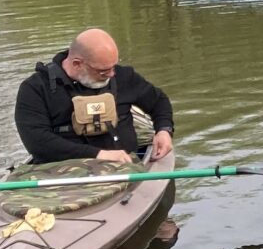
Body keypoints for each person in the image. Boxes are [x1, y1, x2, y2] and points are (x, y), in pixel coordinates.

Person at [16, 29, 174, 165]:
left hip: (127, 167)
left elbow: (159, 101)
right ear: (77, 64)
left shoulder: (123, 77)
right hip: (63, 176)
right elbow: (37, 142)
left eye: (113, 67)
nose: (112, 74)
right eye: (103, 71)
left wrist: (164, 130)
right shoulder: (35, 89)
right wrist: (98, 155)